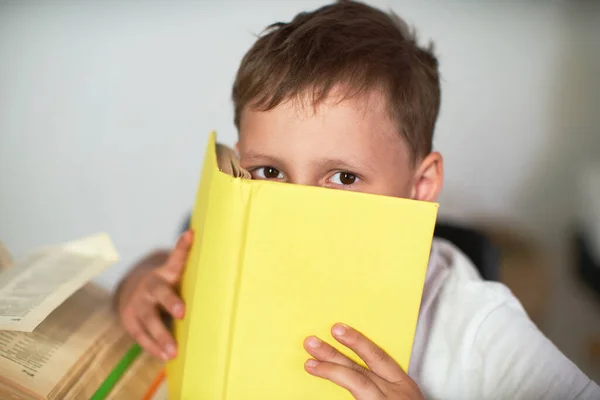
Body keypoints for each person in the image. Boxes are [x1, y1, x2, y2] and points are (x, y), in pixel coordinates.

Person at [114, 1, 600, 399]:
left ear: (421, 184)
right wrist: (137, 283)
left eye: (343, 176)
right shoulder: (225, 252)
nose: (298, 209)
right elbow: (159, 287)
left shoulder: (477, 326)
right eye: (269, 172)